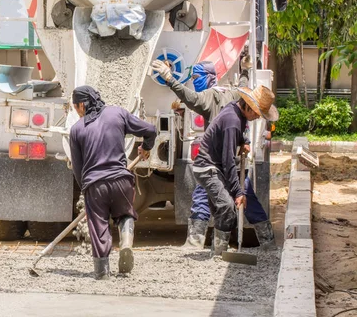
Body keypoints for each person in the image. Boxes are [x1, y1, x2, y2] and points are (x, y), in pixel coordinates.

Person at [151, 57, 275, 251]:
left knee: (216, 195)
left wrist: (170, 79)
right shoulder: (234, 93)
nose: (194, 80)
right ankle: (261, 242)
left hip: (221, 159)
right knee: (235, 195)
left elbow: (188, 96)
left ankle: (199, 241)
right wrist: (243, 70)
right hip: (218, 160)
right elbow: (243, 88)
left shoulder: (210, 98)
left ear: (209, 77)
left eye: (196, 77)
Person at [69, 85, 157, 280]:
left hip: (95, 184)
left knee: (99, 226)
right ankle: (126, 241)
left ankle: (102, 272)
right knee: (125, 214)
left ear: (82, 105)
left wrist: (87, 192)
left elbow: (78, 168)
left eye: (76, 108)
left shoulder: (76, 130)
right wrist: (146, 146)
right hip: (121, 180)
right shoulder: (117, 114)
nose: (77, 112)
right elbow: (150, 130)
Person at [192, 85, 278, 256]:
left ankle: (218, 249)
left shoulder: (237, 112)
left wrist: (244, 140)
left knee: (224, 206)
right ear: (247, 105)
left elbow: (238, 135)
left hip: (217, 166)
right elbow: (228, 160)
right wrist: (238, 192)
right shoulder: (232, 120)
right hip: (208, 167)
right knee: (226, 205)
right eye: (255, 112)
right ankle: (219, 252)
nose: (255, 117)